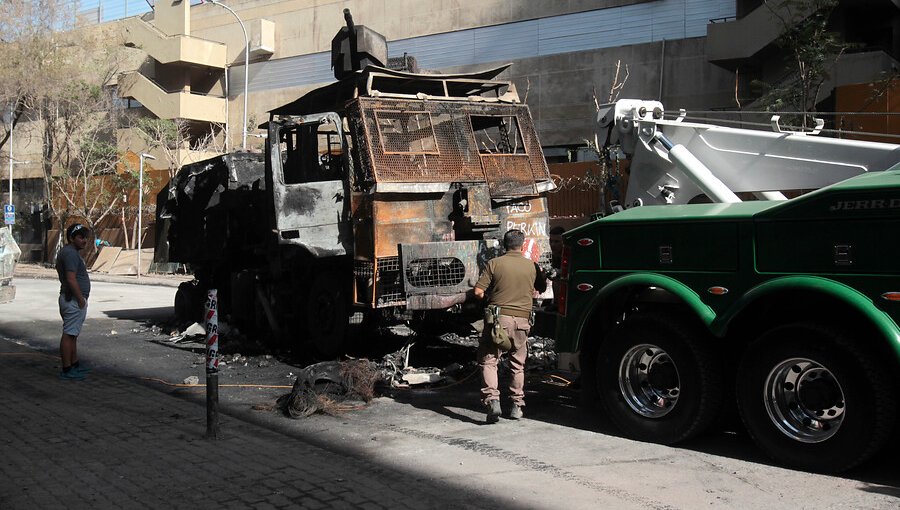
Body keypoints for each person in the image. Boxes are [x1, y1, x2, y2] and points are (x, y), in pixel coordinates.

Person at [473, 229, 547, 423]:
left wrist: (489, 298)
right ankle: (516, 406)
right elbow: (542, 287)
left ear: (504, 244)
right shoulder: (532, 266)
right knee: (517, 364)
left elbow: (478, 291)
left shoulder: (495, 264)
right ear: (522, 245)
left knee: (489, 360)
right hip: (523, 322)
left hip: (499, 322)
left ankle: (492, 402)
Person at [56, 223, 92, 381]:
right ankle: (67, 369)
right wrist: (80, 300)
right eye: (80, 237)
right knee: (69, 334)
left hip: (73, 300)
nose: (84, 240)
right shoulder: (70, 254)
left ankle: (74, 364)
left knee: (73, 334)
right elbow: (71, 279)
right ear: (71, 238)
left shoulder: (70, 252)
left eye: (85, 237)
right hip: (73, 300)